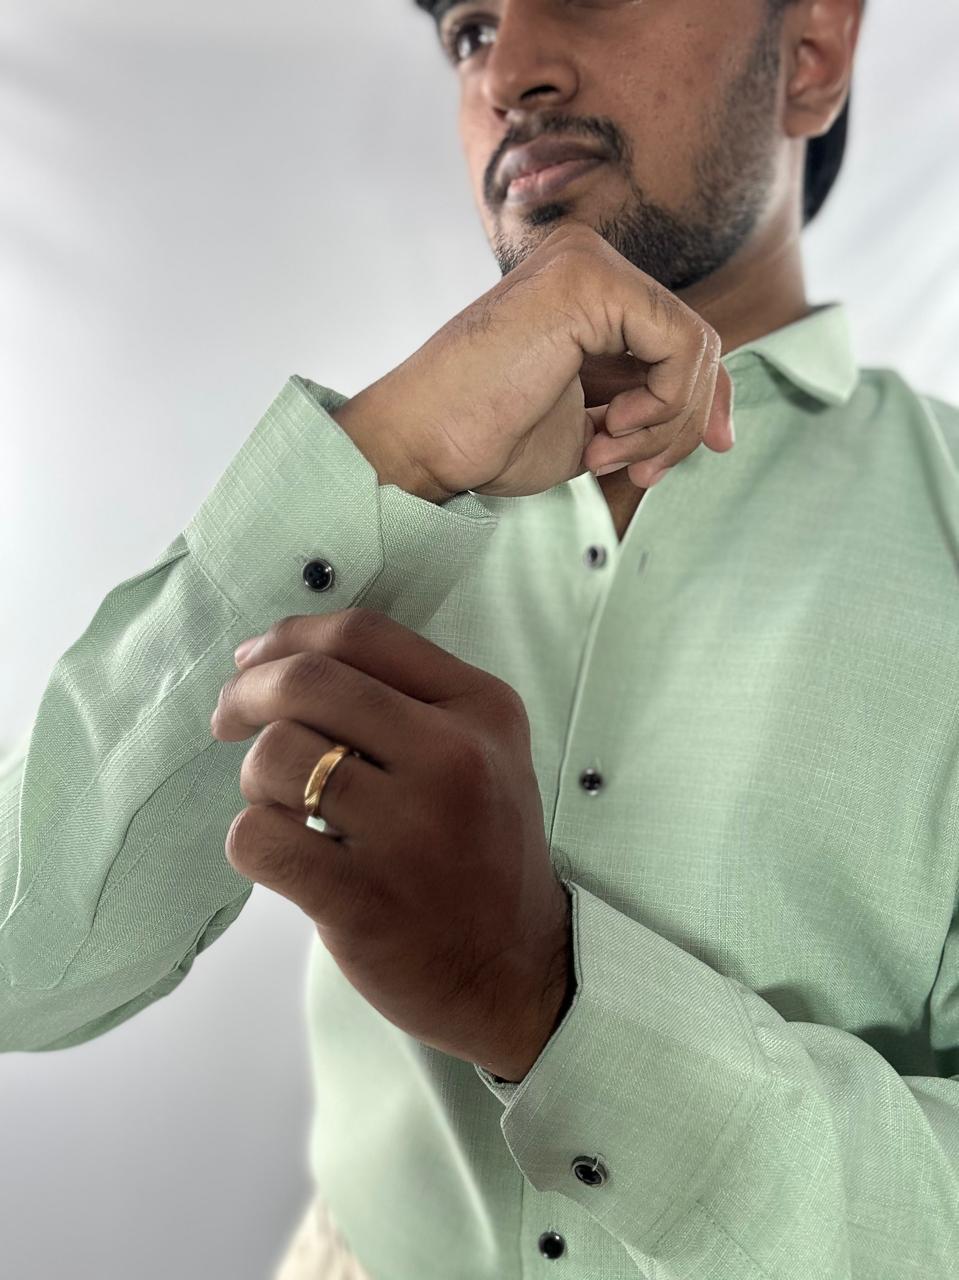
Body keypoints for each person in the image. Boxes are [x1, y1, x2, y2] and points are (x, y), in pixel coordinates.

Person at [3, 1, 958, 1278]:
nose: (509, 71)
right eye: (466, 29)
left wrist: (543, 996)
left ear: (810, 53)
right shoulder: (362, 500)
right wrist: (381, 457)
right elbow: (25, 968)